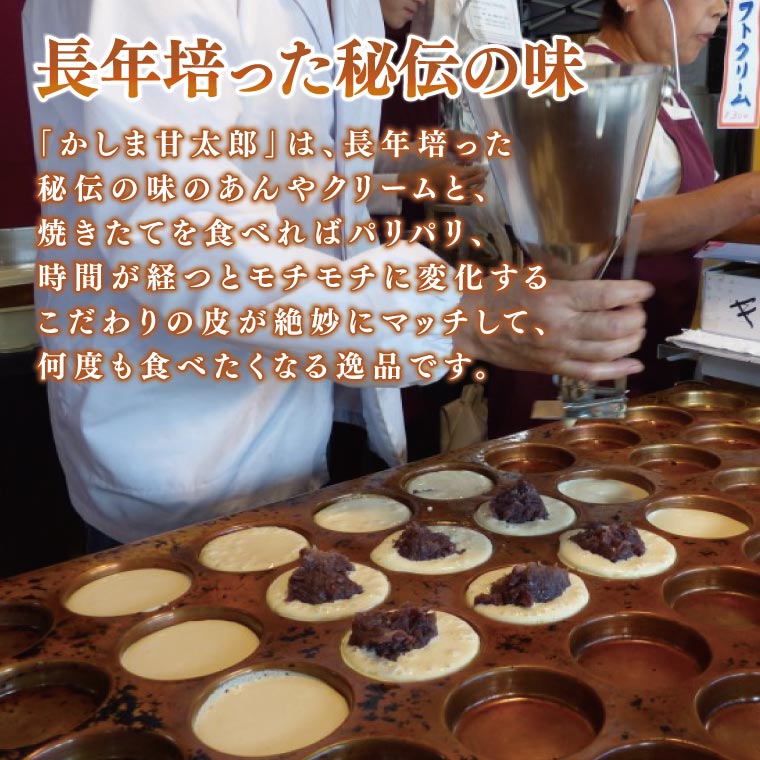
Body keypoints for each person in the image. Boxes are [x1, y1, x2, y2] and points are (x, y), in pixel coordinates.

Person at [23, 0, 652, 546]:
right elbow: (176, 235)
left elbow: (269, 158)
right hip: (176, 442)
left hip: (297, 414)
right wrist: (462, 315)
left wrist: (397, 169)